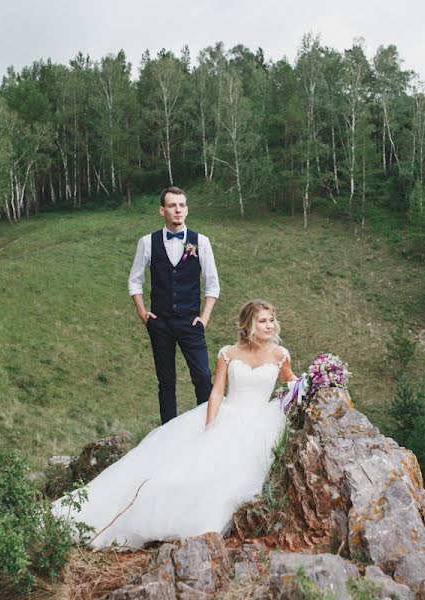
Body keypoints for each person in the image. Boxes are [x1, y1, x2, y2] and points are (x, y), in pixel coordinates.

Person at [52, 299, 295, 550]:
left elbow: (291, 382)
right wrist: (211, 426)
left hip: (259, 421)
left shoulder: (280, 355)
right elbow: (216, 392)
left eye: (271, 320)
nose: (269, 325)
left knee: (232, 476)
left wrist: (319, 378)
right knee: (178, 470)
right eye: (262, 321)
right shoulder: (228, 353)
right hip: (227, 414)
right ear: (248, 325)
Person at [128, 186, 221, 425]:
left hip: (191, 322)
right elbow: (135, 280)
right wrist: (143, 314)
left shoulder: (201, 241)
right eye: (172, 206)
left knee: (202, 377)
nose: (177, 210)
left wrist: (204, 319)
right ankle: (168, 433)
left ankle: (207, 428)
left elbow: (212, 285)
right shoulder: (147, 242)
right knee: (166, 382)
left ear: (187, 209)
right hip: (160, 322)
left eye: (181, 205)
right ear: (162, 210)